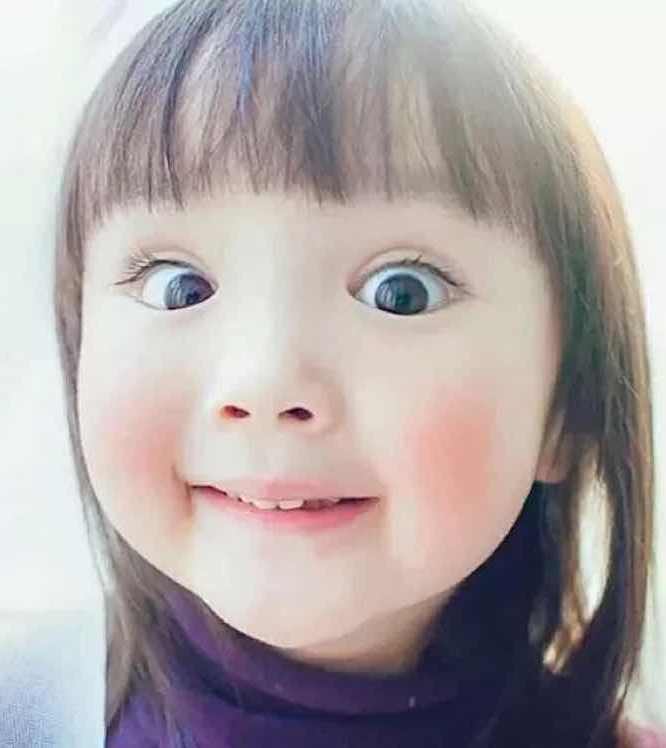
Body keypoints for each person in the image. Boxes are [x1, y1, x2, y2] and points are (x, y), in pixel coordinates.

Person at [51, 0, 664, 745]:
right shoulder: (9, 720)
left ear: (568, 404)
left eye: (401, 292)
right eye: (178, 286)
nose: (265, 383)